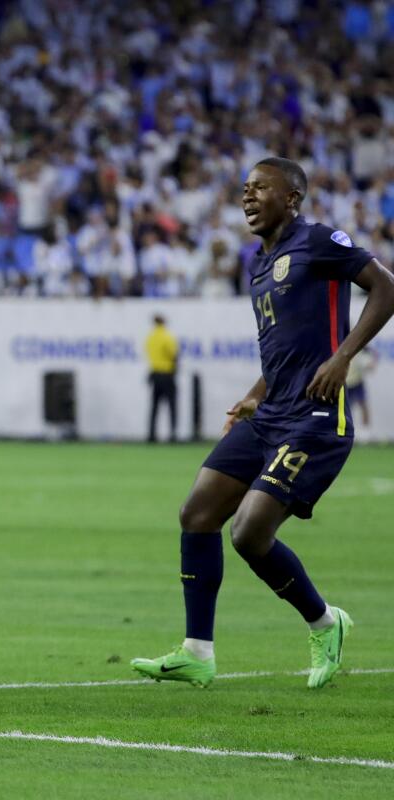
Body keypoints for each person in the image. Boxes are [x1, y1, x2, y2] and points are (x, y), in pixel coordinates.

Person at [131, 157, 394, 690]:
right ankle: (197, 652)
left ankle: (326, 622)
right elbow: (279, 350)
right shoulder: (259, 262)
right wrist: (253, 397)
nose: (248, 197)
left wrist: (344, 356)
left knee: (249, 532)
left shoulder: (320, 240)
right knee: (197, 512)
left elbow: (386, 287)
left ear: (292, 197)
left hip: (316, 417)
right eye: (245, 190)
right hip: (272, 412)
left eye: (261, 188)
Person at [145, 314, 179, 442]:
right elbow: (173, 354)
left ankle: (151, 434)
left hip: (155, 373)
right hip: (167, 374)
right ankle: (173, 434)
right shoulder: (167, 336)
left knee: (154, 406)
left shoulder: (150, 337)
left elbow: (148, 352)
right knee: (172, 405)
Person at [345, 346, 377, 434]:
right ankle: (347, 431)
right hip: (345, 382)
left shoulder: (362, 346)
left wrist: (371, 363)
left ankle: (365, 431)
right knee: (346, 409)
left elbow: (372, 356)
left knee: (363, 404)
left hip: (357, 380)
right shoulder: (341, 342)